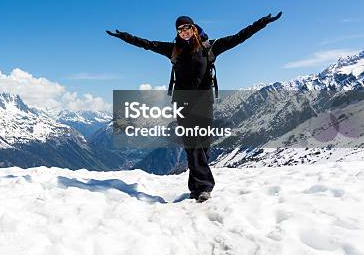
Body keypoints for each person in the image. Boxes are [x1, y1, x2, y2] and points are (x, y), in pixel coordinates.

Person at [106, 12, 282, 202]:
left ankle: (194, 188)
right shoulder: (174, 49)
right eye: (179, 29)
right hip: (183, 104)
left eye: (186, 28)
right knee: (193, 145)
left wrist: (263, 22)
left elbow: (240, 36)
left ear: (194, 28)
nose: (183, 32)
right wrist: (124, 36)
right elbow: (147, 44)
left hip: (204, 103)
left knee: (202, 147)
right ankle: (205, 187)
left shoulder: (210, 47)